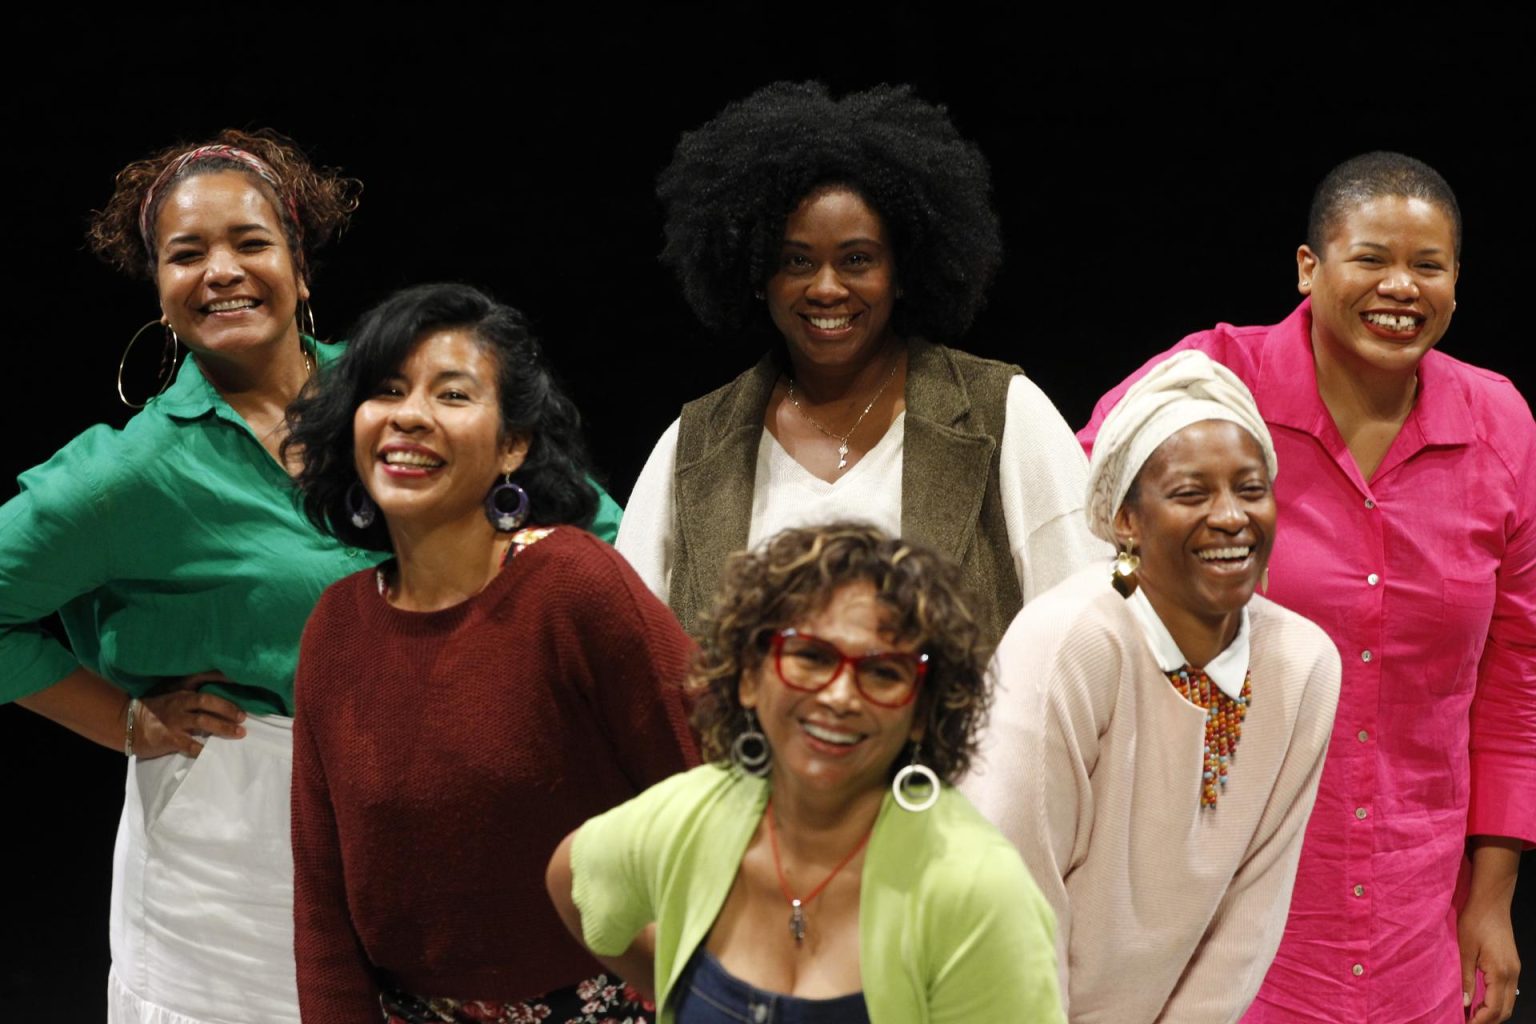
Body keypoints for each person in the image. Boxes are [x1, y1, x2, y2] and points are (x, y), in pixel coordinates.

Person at [0, 131, 623, 1024]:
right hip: (239, 862)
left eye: (250, 243)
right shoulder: (128, 478)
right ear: (158, 288)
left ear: (299, 264)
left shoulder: (398, 397)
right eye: (187, 254)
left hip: (444, 828)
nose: (221, 271)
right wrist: (125, 721)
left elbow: (593, 527)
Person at [1080, 153, 1533, 1024]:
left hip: (1415, 914)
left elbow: (1516, 674)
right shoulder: (1212, 381)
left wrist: (1492, 896)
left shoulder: (1500, 421)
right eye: (1370, 258)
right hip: (1214, 901)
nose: (1400, 286)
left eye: (1428, 266)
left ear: (1456, 282)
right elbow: (1074, 515)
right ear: (1308, 267)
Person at [286, 281, 699, 1024]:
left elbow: (713, 793)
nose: (409, 417)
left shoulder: (574, 585)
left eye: (451, 395)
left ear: (514, 443)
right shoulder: (336, 627)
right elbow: (323, 899)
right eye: (386, 391)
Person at [616, 81, 1102, 643]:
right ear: (756, 275)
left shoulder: (1005, 418)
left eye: (856, 259)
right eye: (796, 261)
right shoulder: (693, 447)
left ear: (902, 272)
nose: (826, 288)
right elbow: (632, 660)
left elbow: (1089, 630)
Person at [547, 522, 1064, 1023]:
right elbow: (572, 882)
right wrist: (676, 991)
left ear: (922, 715)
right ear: (750, 677)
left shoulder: (979, 892)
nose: (840, 695)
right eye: (811, 657)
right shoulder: (692, 815)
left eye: (884, 672)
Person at [964, 351, 1341, 1022]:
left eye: (1250, 489)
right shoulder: (1070, 642)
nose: (1231, 516)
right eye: (1192, 493)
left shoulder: (1302, 664)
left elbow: (1248, 921)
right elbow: (1011, 899)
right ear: (1126, 522)